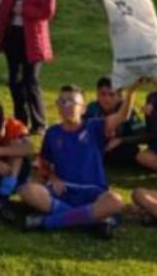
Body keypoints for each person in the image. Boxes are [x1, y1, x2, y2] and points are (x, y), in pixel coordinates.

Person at [18, 83, 136, 238]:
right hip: (63, 192)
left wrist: (132, 91)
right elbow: (43, 164)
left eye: (71, 102)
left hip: (93, 193)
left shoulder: (94, 126)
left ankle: (48, 222)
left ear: (83, 108)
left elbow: (122, 116)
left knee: (115, 200)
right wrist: (53, 177)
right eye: (62, 101)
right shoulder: (52, 133)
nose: (66, 106)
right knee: (26, 190)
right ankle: (90, 220)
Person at [0, 0, 54, 132]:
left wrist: (24, 10)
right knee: (14, 80)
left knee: (31, 80)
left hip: (32, 38)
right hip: (13, 37)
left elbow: (47, 11)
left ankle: (39, 122)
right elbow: (2, 15)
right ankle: (21, 121)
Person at [85, 76, 145, 167]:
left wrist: (121, 140)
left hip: (119, 148)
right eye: (103, 94)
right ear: (97, 95)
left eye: (111, 94)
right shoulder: (92, 108)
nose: (107, 99)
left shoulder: (127, 110)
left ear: (120, 97)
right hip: (98, 146)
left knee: (130, 151)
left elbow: (142, 135)